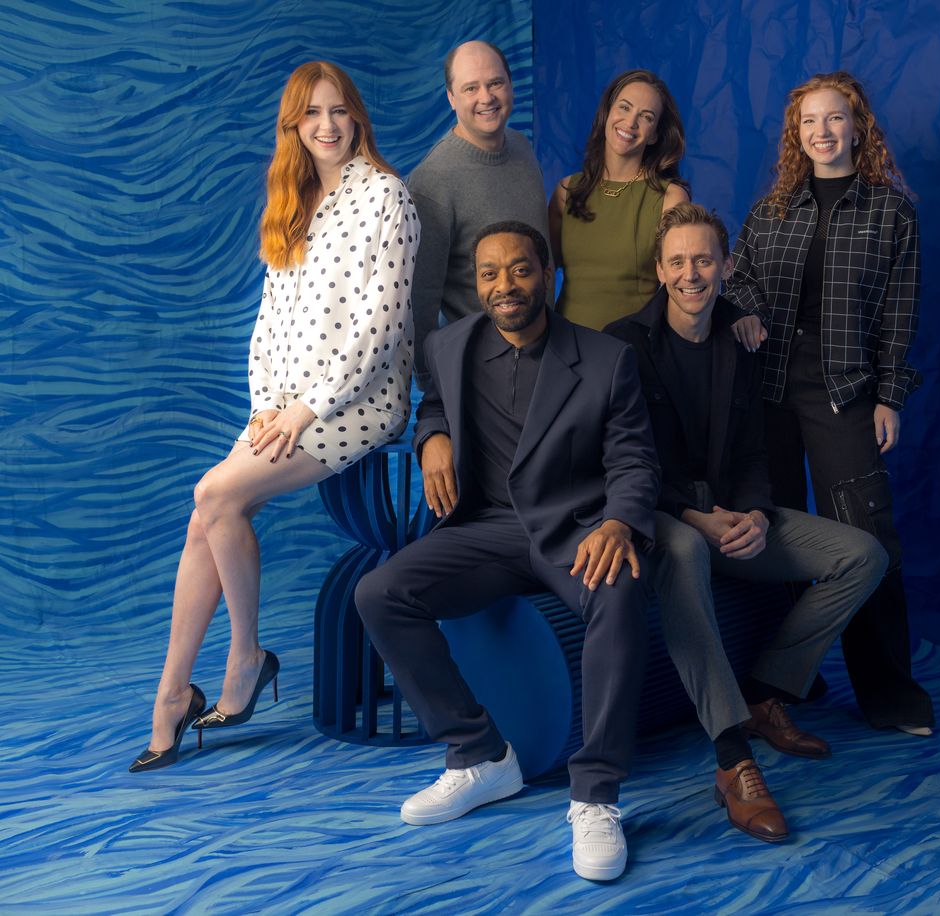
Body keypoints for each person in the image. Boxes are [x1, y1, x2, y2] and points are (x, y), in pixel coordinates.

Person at [128, 61, 419, 772]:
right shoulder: (292, 204)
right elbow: (268, 329)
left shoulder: (388, 198)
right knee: (209, 513)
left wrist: (307, 406)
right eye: (311, 115)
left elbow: (380, 328)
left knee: (214, 495)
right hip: (284, 407)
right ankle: (175, 693)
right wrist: (267, 408)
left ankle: (241, 658)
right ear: (293, 127)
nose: (327, 126)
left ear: (357, 117)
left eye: (339, 110)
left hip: (359, 400)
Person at [355, 222, 658, 882]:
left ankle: (596, 797)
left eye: (519, 270)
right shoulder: (449, 345)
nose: (504, 286)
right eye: (489, 274)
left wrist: (619, 523)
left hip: (574, 529)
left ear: (547, 276)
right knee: (378, 593)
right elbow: (435, 407)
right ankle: (479, 756)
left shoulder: (605, 360)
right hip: (486, 531)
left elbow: (634, 458)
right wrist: (431, 437)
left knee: (621, 592)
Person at [606, 203, 887, 842]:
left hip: (736, 510)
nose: (691, 273)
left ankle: (767, 691)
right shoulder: (624, 343)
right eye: (677, 261)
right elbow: (625, 457)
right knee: (683, 553)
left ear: (726, 265)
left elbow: (758, 449)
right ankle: (734, 757)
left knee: (863, 556)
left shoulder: (743, 337)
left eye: (704, 259)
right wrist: (691, 515)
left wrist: (758, 515)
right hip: (663, 514)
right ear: (659, 269)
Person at [725, 71, 934, 735]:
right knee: (773, 530)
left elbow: (900, 314)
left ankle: (889, 690)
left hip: (844, 390)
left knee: (867, 536)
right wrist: (749, 311)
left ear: (856, 126)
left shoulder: (891, 213)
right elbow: (742, 279)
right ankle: (789, 677)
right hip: (767, 389)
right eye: (809, 121)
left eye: (834, 118)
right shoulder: (770, 212)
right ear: (797, 135)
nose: (822, 132)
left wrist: (889, 397)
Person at [408, 40, 551, 385]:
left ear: (510, 86)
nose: (486, 97)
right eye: (471, 87)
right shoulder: (432, 182)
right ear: (451, 98)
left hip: (545, 352)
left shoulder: (521, 146)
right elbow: (420, 301)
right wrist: (436, 392)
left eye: (495, 83)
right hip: (484, 370)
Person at [549, 69, 689, 330]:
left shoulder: (670, 198)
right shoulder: (566, 191)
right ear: (607, 113)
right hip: (565, 349)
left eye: (646, 117)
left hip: (633, 352)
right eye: (624, 108)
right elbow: (542, 274)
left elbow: (685, 286)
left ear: (655, 134)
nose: (630, 122)